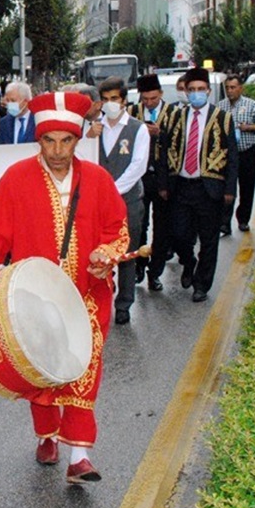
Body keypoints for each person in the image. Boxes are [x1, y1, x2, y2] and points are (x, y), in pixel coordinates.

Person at [0, 91, 129, 485]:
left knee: (82, 365)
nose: (58, 150)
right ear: (38, 140)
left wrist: (105, 255)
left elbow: (119, 232)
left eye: (66, 141)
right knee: (41, 366)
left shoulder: (98, 179)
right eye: (50, 141)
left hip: (88, 296)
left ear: (78, 141)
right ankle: (47, 434)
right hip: (33, 297)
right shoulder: (16, 178)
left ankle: (80, 455)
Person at [155, 67, 238, 303]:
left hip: (209, 188)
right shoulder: (175, 117)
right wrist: (163, 183)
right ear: (186, 92)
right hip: (180, 186)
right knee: (180, 235)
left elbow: (232, 157)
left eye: (200, 90)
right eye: (191, 90)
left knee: (209, 239)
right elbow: (163, 151)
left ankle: (202, 284)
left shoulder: (222, 118)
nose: (196, 94)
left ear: (209, 92)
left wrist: (230, 190)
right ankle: (188, 262)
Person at [96, 77, 149, 325]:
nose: (110, 104)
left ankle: (124, 303)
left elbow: (138, 166)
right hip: (96, 204)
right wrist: (87, 136)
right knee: (97, 252)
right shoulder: (95, 128)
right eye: (105, 100)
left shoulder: (137, 129)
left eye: (114, 99)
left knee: (127, 252)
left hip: (127, 200)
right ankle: (99, 297)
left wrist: (111, 191)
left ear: (124, 100)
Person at [129, 74, 176, 291]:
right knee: (139, 226)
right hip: (139, 178)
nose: (149, 103)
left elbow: (180, 142)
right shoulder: (132, 113)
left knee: (162, 227)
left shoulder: (174, 113)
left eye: (153, 98)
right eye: (145, 99)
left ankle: (155, 273)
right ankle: (139, 265)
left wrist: (161, 134)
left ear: (161, 94)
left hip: (163, 179)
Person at [217, 75, 255, 233]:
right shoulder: (221, 106)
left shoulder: (251, 105)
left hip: (247, 152)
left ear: (240, 88)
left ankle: (243, 219)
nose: (230, 91)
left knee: (247, 187)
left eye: (233, 87)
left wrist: (247, 127)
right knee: (227, 187)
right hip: (227, 154)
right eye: (227, 88)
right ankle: (224, 223)